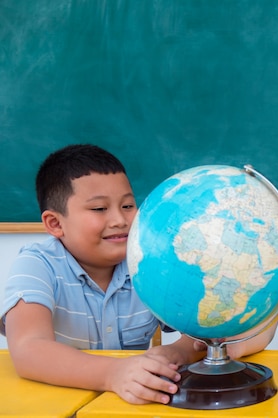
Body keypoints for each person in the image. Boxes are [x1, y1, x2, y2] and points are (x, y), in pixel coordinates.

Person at [0, 144, 205, 405]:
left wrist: (178, 351)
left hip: (127, 407)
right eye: (99, 209)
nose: (120, 219)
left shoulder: (150, 264)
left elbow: (218, 333)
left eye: (128, 205)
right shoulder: (37, 264)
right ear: (55, 223)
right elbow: (28, 349)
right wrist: (113, 374)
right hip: (57, 405)